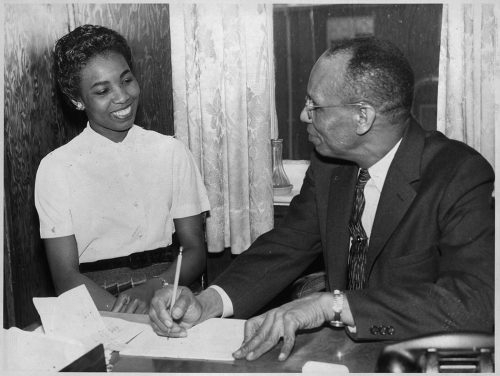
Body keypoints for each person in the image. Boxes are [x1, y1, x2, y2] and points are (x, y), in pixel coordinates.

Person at [148, 37, 494, 360]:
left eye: (315, 105)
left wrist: (334, 305)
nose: (303, 115)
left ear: (363, 117)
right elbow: (287, 246)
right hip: (337, 353)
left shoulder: (457, 174)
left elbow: (476, 305)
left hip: (410, 356)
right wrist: (207, 302)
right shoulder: (331, 167)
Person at [34, 24, 210, 314]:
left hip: (169, 290)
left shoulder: (171, 151)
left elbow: (194, 250)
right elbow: (65, 277)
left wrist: (158, 287)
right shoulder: (56, 168)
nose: (122, 97)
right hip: (95, 301)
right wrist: (124, 314)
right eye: (102, 90)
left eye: (126, 80)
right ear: (77, 100)